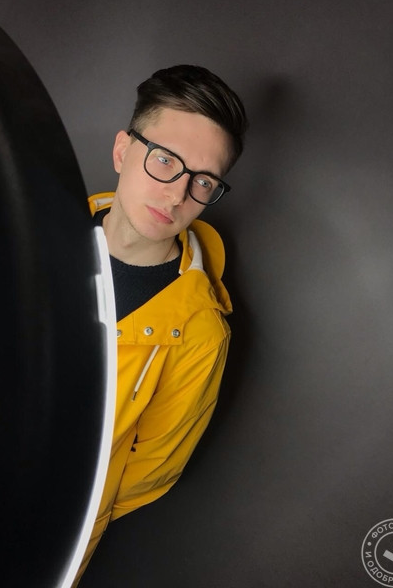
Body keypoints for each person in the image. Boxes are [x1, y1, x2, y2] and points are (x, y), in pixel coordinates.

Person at [74, 64, 248, 585]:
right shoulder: (34, 229)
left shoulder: (200, 332)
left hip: (43, 534)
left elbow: (148, 473)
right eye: (166, 160)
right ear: (123, 151)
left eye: (203, 181)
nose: (177, 196)